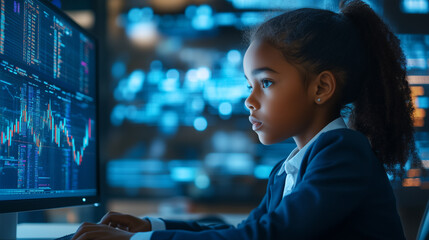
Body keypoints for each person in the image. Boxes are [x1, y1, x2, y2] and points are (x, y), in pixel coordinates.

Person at [72, 0, 418, 239]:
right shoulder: (289, 168)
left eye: (266, 83)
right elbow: (245, 231)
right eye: (249, 85)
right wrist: (152, 227)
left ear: (322, 87)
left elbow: (267, 236)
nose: (249, 100)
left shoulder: (344, 153)